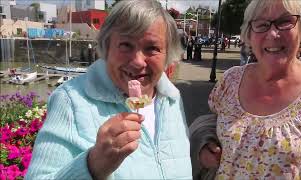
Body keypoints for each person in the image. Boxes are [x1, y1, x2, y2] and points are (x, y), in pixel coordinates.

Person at [26, 0, 192, 179]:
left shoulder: (172, 98)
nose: (137, 61)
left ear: (168, 54)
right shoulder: (71, 100)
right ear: (107, 46)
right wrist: (93, 165)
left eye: (152, 48)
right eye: (126, 45)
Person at [193, 0, 301, 179]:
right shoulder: (231, 80)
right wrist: (204, 144)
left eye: (285, 22)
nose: (273, 33)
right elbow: (212, 123)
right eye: (261, 25)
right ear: (249, 35)